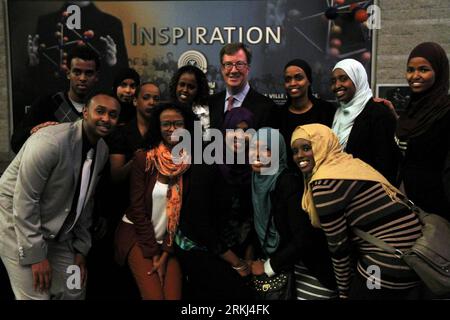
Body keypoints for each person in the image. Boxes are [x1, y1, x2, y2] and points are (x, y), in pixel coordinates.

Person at [0, 94, 120, 300]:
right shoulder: (49, 141)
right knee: (37, 295)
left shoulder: (102, 150)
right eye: (100, 111)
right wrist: (36, 258)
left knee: (74, 290)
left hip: (58, 233)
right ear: (85, 112)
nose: (106, 119)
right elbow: (24, 200)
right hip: (17, 226)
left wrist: (81, 250)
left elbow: (85, 202)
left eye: (113, 115)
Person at [290, 124, 423, 299]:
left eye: (307, 148)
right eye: (295, 151)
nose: (299, 155)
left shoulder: (325, 184)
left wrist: (344, 291)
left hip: (388, 262)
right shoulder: (348, 164)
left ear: (322, 145)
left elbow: (339, 248)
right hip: (416, 254)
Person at [86, 82, 160, 300]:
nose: (152, 103)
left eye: (156, 99)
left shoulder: (162, 132)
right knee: (119, 277)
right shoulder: (121, 132)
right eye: (146, 97)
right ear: (136, 101)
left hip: (153, 214)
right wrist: (139, 158)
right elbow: (116, 176)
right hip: (120, 211)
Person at [114, 102, 194, 300]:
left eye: (178, 123)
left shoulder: (191, 161)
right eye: (166, 124)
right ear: (157, 127)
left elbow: (184, 213)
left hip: (169, 242)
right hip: (138, 235)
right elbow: (138, 209)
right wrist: (154, 252)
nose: (172, 129)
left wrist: (166, 251)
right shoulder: (144, 158)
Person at [175, 107, 256, 300]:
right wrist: (235, 261)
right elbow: (199, 222)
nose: (239, 135)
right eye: (233, 130)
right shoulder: (207, 164)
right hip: (202, 249)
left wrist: (248, 256)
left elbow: (250, 218)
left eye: (246, 131)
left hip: (234, 248)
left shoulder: (252, 168)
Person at [249, 128, 337, 300]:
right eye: (253, 148)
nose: (256, 155)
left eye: (266, 149)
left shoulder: (288, 183)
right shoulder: (256, 180)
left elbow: (304, 238)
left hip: (307, 267)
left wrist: (269, 266)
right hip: (280, 261)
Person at [11, 45, 100, 153]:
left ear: (96, 77)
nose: (82, 78)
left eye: (88, 73)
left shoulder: (102, 109)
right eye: (77, 72)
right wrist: (34, 131)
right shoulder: (48, 103)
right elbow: (16, 141)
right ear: (68, 74)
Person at [396, 42, 450, 220]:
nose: (414, 76)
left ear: (439, 72)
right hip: (408, 202)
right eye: (410, 69)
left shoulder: (446, 111)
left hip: (438, 206)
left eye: (423, 69)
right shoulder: (410, 110)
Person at [331, 58, 399, 184]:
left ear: (358, 79)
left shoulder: (378, 112)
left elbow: (387, 162)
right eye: (333, 81)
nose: (336, 85)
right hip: (343, 189)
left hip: (370, 192)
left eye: (343, 78)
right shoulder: (338, 113)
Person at [279, 59, 336, 168]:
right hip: (289, 178)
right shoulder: (277, 115)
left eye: (298, 78)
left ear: (309, 80)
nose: (293, 83)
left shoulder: (326, 110)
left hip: (322, 176)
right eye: (288, 79)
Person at [208, 42, 278, 130]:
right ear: (222, 69)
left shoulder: (267, 108)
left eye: (239, 64)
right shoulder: (210, 104)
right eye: (228, 64)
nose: (233, 70)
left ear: (248, 68)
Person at [169, 65, 210, 139]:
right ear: (175, 85)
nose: (185, 90)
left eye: (191, 87)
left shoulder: (205, 114)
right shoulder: (166, 111)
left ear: (199, 90)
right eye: (182, 84)